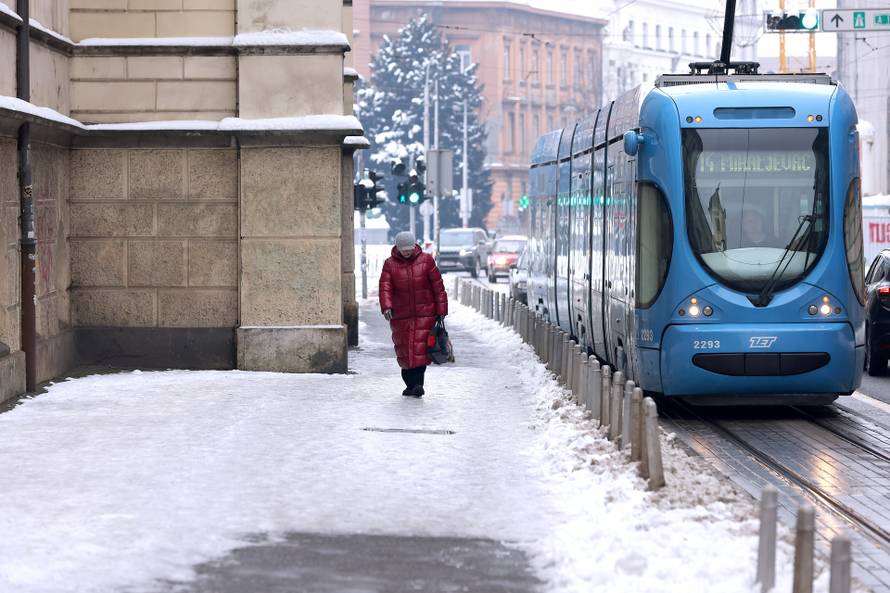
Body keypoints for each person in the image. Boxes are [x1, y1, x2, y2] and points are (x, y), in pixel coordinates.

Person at [379, 231, 448, 397]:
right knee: (404, 352)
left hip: (425, 314)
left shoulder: (426, 261)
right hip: (401, 315)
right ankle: (410, 384)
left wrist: (441, 310)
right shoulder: (389, 264)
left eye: (409, 249)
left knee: (420, 352)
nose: (407, 252)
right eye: (404, 249)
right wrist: (387, 307)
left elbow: (438, 287)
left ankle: (418, 385)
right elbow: (385, 287)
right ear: (398, 248)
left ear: (414, 246)